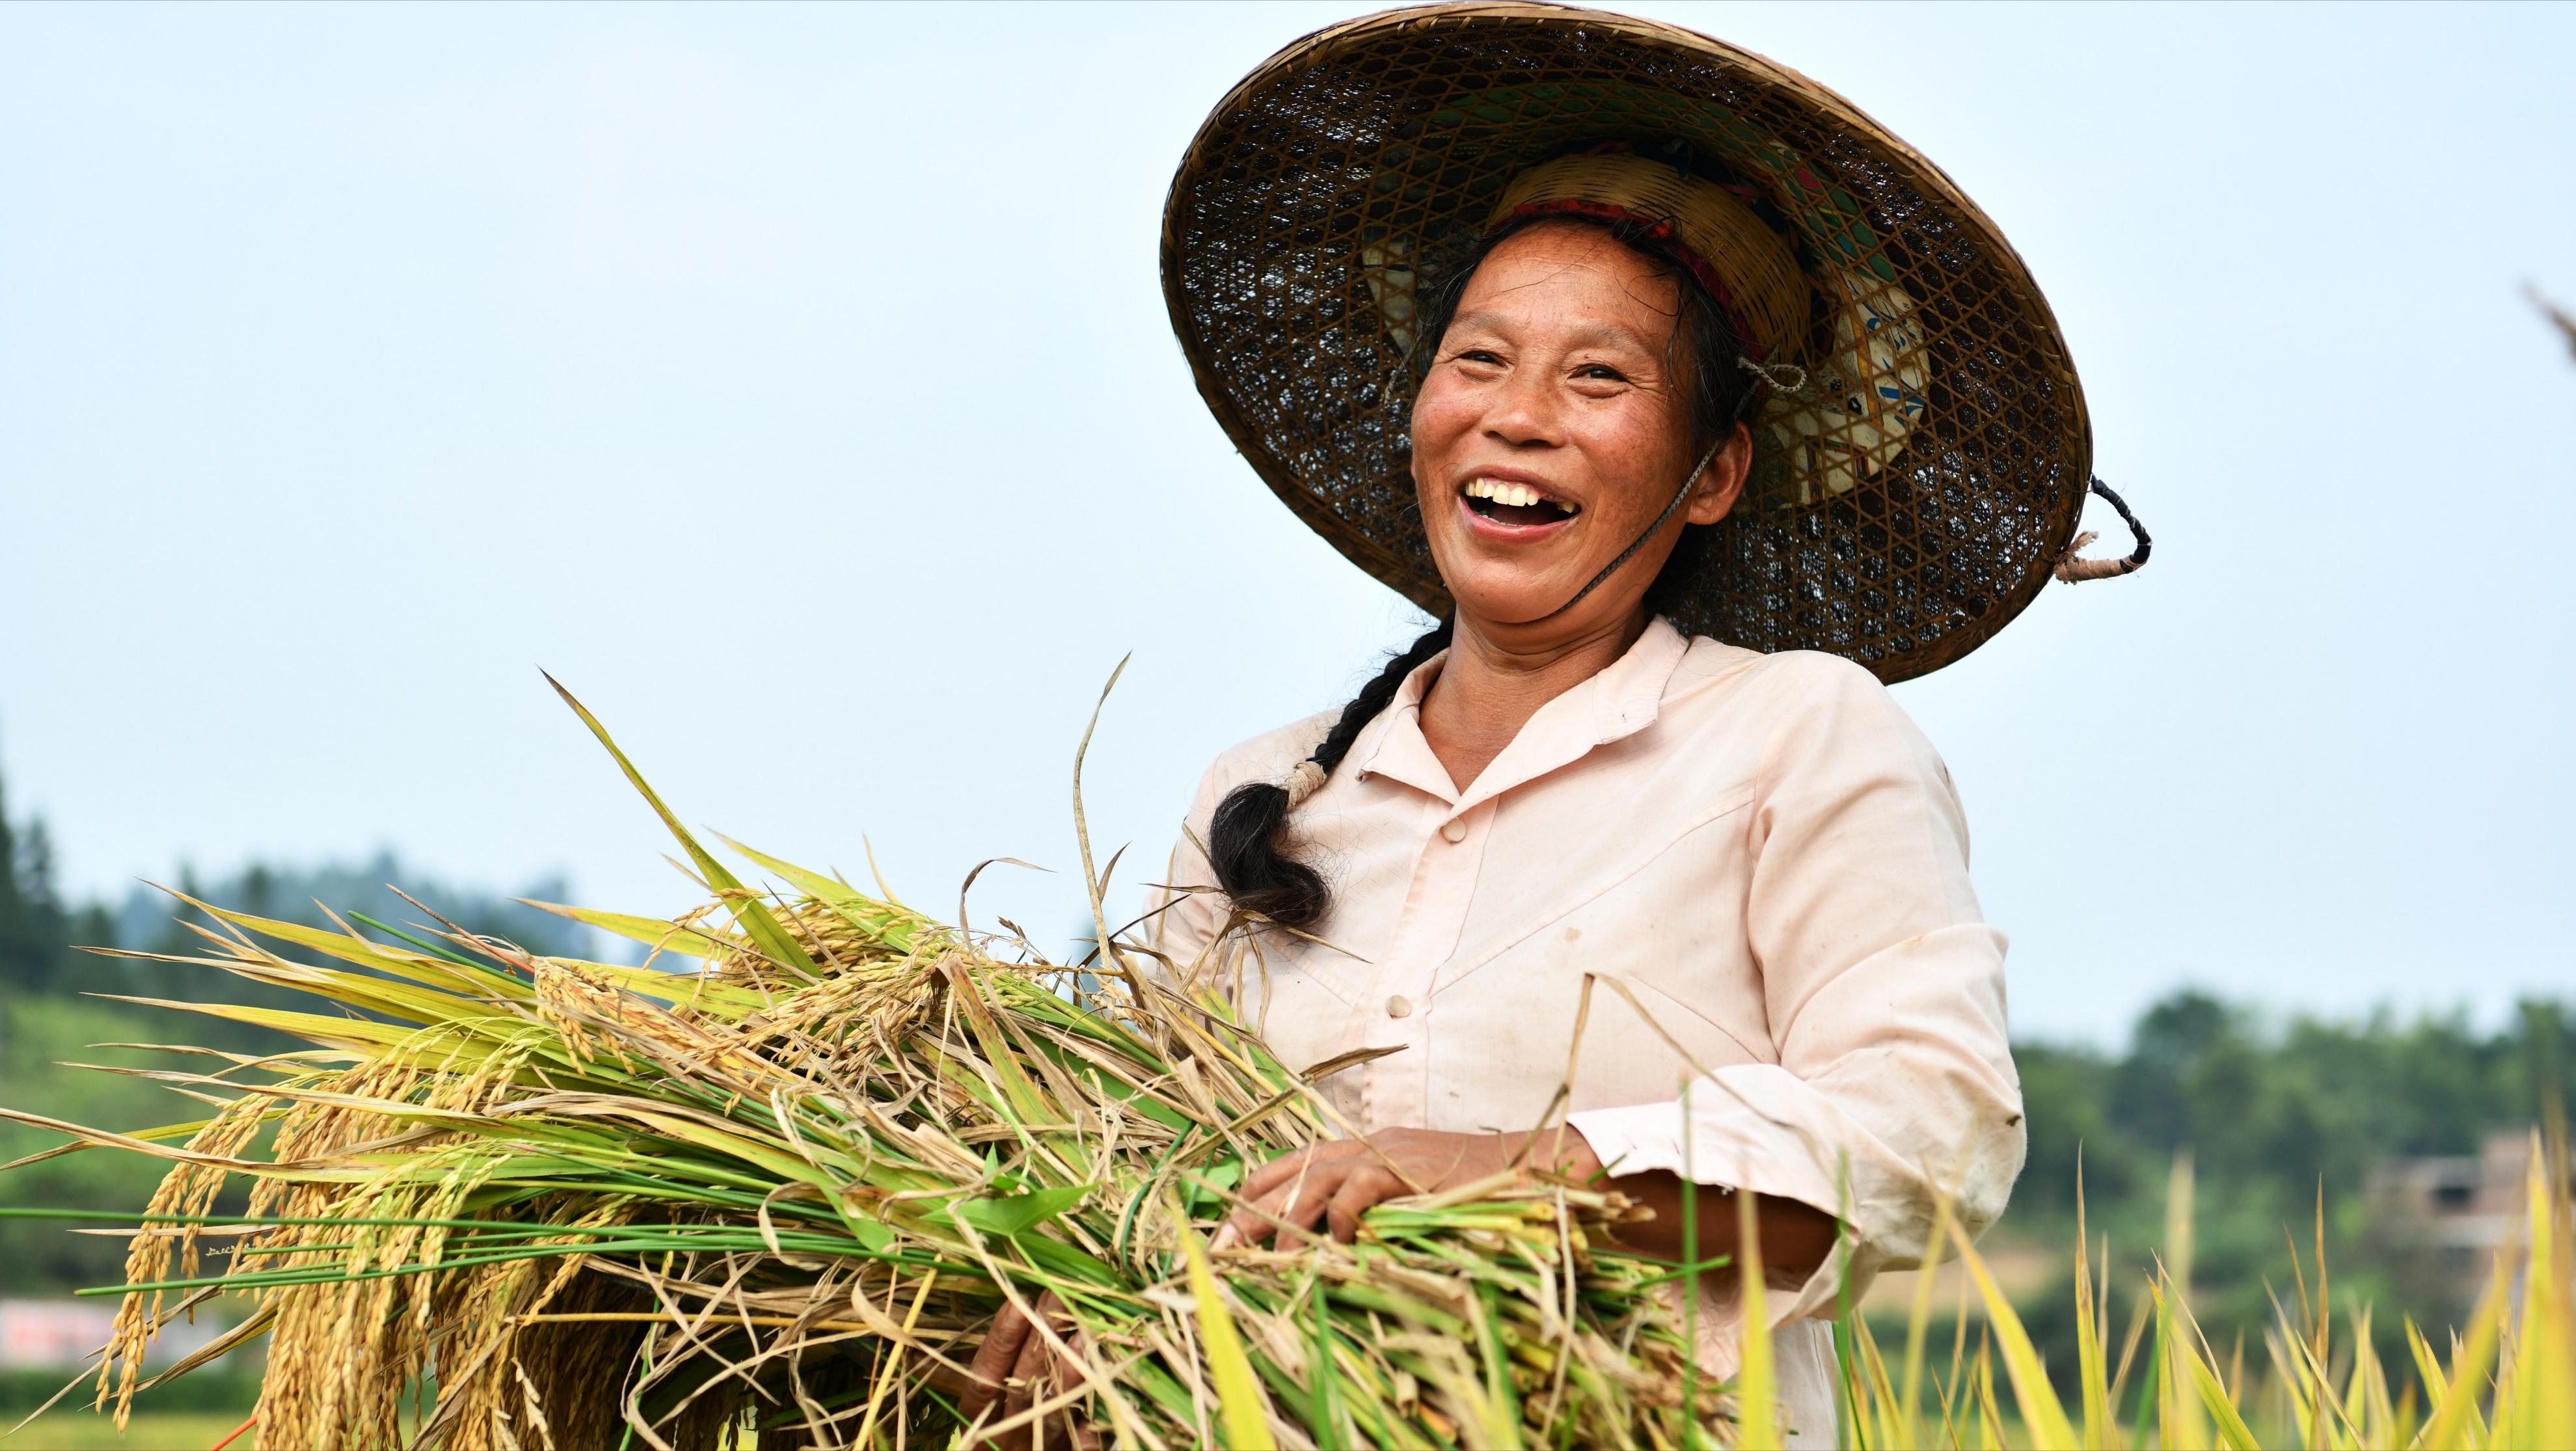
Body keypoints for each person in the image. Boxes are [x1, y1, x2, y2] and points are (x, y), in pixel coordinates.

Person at [964, 5, 2144, 1444]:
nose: (1518, 417)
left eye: (1600, 378)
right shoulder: (1269, 790)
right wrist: (1068, 1293)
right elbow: (1132, 1155)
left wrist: (1505, 1167)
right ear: (1419, 407)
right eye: (1479, 360)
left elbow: (1929, 1124)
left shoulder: (1797, 738)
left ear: (1711, 474)